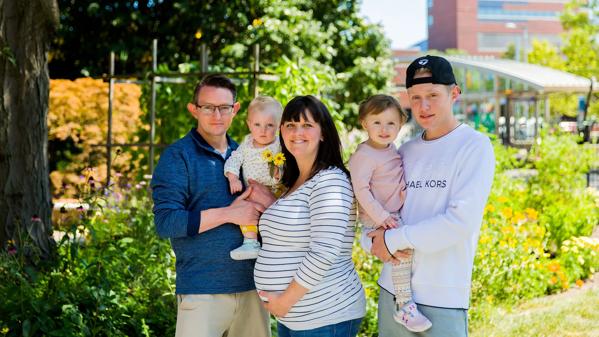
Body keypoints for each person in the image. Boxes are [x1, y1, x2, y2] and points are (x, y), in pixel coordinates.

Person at [364, 55, 495, 337]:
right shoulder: (405, 151)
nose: (423, 106)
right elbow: (380, 205)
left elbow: (460, 222)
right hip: (392, 291)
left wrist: (392, 240)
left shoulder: (475, 146)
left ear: (454, 93)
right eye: (416, 96)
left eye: (433, 95)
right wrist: (372, 241)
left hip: (443, 297)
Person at [151, 74, 272, 337]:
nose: (217, 115)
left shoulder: (249, 155)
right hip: (202, 290)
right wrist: (230, 214)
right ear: (194, 110)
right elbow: (166, 223)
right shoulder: (177, 156)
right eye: (208, 107)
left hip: (253, 289)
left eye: (224, 107)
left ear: (236, 109)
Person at [254, 95, 366, 337]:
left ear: (323, 133)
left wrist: (284, 301)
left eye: (307, 125)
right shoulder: (295, 183)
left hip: (326, 315)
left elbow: (324, 251)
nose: (297, 132)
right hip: (298, 317)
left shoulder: (330, 180)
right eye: (290, 125)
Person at [349, 94, 432, 332]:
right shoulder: (364, 155)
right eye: (377, 123)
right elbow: (361, 191)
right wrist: (381, 217)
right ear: (364, 123)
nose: (384, 129)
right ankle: (404, 306)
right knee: (401, 255)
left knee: (405, 253)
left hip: (391, 215)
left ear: (400, 125)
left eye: (391, 124)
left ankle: (406, 301)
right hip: (377, 220)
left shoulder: (390, 148)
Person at [224, 95, 284, 260]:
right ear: (249, 124)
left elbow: (288, 164)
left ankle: (278, 245)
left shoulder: (278, 144)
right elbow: (234, 159)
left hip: (276, 190)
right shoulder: (247, 143)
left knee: (274, 219)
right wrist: (233, 178)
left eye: (269, 125)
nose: (263, 131)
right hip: (251, 190)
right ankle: (250, 242)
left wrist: (280, 172)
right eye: (257, 124)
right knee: (246, 210)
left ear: (279, 126)